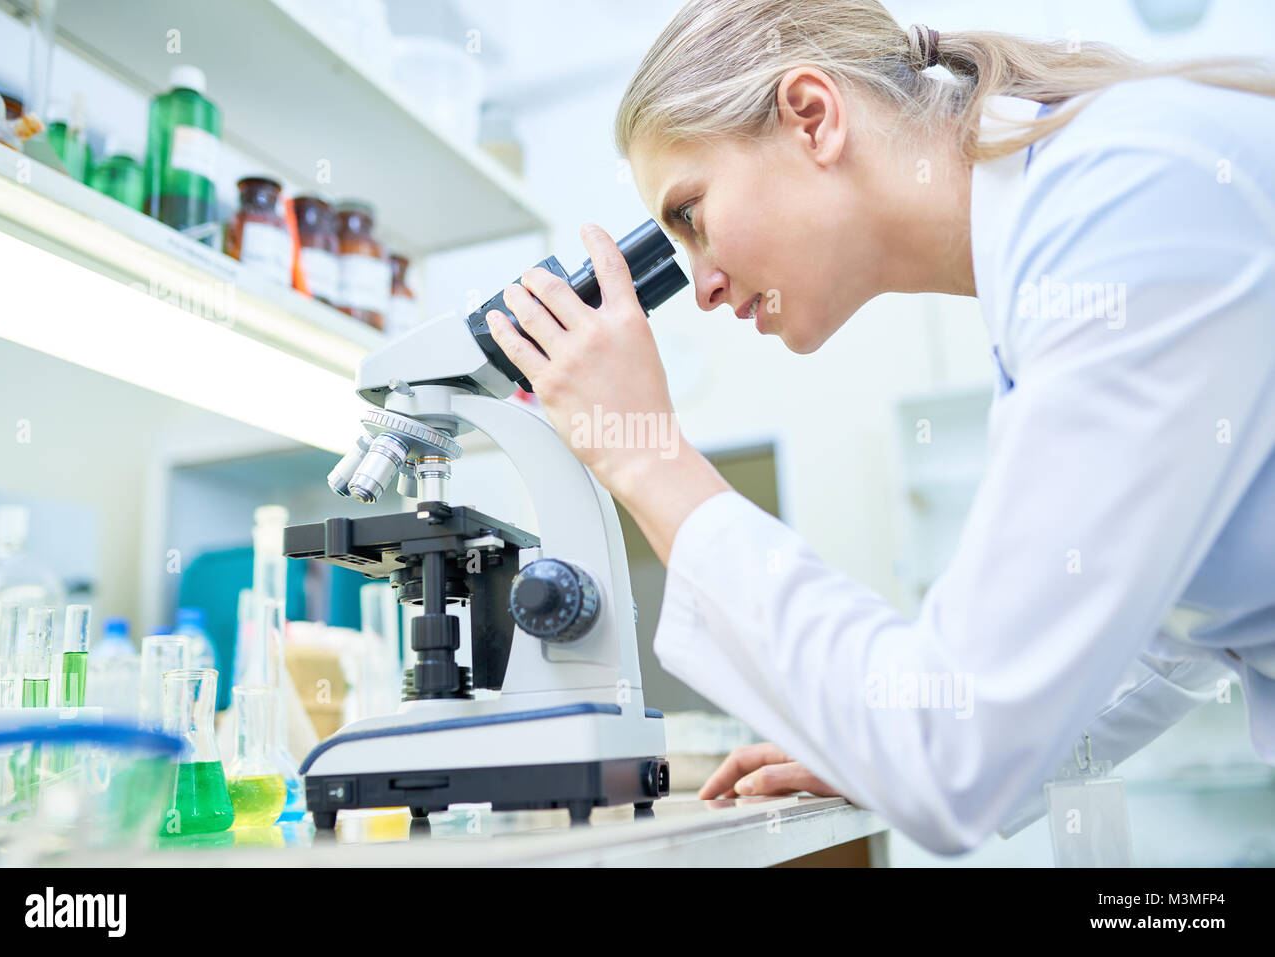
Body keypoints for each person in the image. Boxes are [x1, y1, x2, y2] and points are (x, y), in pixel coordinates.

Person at [483, 0, 1275, 853]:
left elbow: (954, 756)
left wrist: (646, 458)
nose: (702, 284)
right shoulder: (1068, 228)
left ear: (812, 117)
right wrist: (872, 733)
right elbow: (1168, 634)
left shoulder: (1124, 207)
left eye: (692, 216)